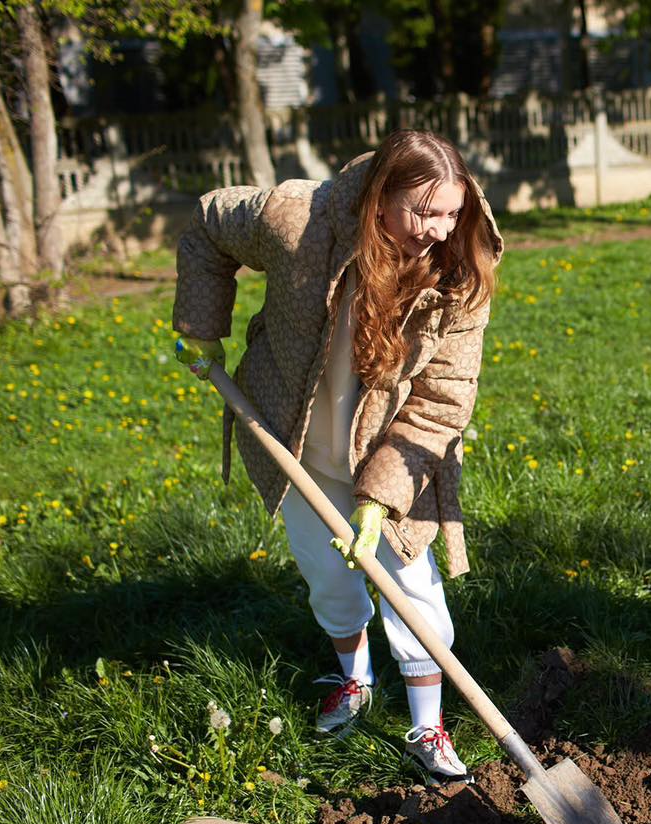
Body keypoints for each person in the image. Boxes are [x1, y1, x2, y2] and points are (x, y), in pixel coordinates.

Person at [172, 129, 502, 781]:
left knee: (414, 592)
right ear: (379, 201)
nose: (440, 229)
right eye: (424, 212)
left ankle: (427, 726)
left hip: (394, 456)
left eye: (452, 212)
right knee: (326, 577)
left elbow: (442, 402)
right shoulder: (295, 221)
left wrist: (379, 501)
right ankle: (354, 679)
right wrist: (199, 328)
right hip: (293, 439)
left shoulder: (459, 276)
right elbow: (208, 223)